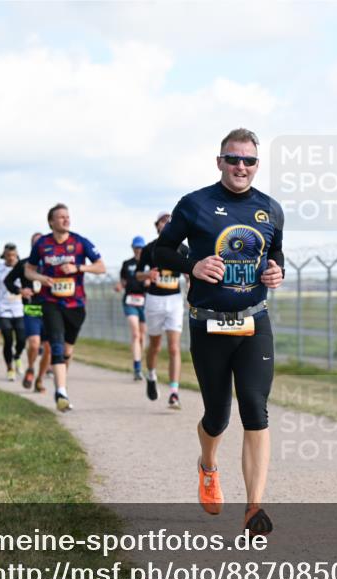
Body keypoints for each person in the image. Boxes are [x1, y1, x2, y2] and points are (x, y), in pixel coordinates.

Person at [154, 128, 284, 535]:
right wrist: (190, 265)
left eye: (248, 160)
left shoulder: (271, 209)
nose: (240, 167)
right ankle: (208, 465)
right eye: (233, 159)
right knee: (217, 416)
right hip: (207, 322)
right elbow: (158, 251)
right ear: (219, 162)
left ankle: (254, 508)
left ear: (257, 165)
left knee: (255, 407)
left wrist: (278, 270)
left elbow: (275, 252)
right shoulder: (195, 204)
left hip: (254, 320)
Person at [24, 203, 106, 411]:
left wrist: (78, 267)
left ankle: (62, 384)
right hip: (50, 302)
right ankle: (61, 392)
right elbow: (28, 270)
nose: (66, 219)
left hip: (76, 304)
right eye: (61, 217)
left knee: (67, 350)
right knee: (57, 347)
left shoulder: (80, 242)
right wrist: (40, 278)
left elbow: (101, 267)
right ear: (51, 221)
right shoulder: (42, 244)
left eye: (67, 216)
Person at [138, 213, 189, 408]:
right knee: (155, 346)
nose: (167, 223)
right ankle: (151, 375)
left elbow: (190, 273)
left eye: (171, 221)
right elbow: (138, 274)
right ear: (157, 226)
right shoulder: (149, 249)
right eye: (163, 221)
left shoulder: (183, 249)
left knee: (174, 347)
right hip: (154, 301)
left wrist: (189, 282)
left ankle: (174, 392)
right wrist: (147, 274)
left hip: (174, 301)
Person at [6, 232, 52, 392]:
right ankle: (31, 368)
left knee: (49, 348)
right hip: (31, 310)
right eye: (35, 243)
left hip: (50, 311)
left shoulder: (52, 264)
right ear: (32, 246)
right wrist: (21, 290)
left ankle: (40, 380)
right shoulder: (24, 263)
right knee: (34, 344)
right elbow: (8, 281)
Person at [117, 235, 150, 381]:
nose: (139, 250)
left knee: (142, 336)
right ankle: (137, 367)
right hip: (130, 301)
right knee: (135, 334)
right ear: (133, 248)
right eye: (136, 247)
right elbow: (123, 281)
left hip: (145, 302)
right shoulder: (127, 264)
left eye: (141, 248)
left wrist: (150, 282)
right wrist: (120, 285)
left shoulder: (148, 264)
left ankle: (140, 363)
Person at [0, 243, 27, 382]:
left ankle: (17, 356)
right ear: (4, 256)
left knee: (21, 339)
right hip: (3, 308)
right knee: (8, 339)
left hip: (19, 308)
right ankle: (10, 369)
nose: (11, 258)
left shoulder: (23, 268)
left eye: (13, 255)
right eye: (8, 255)